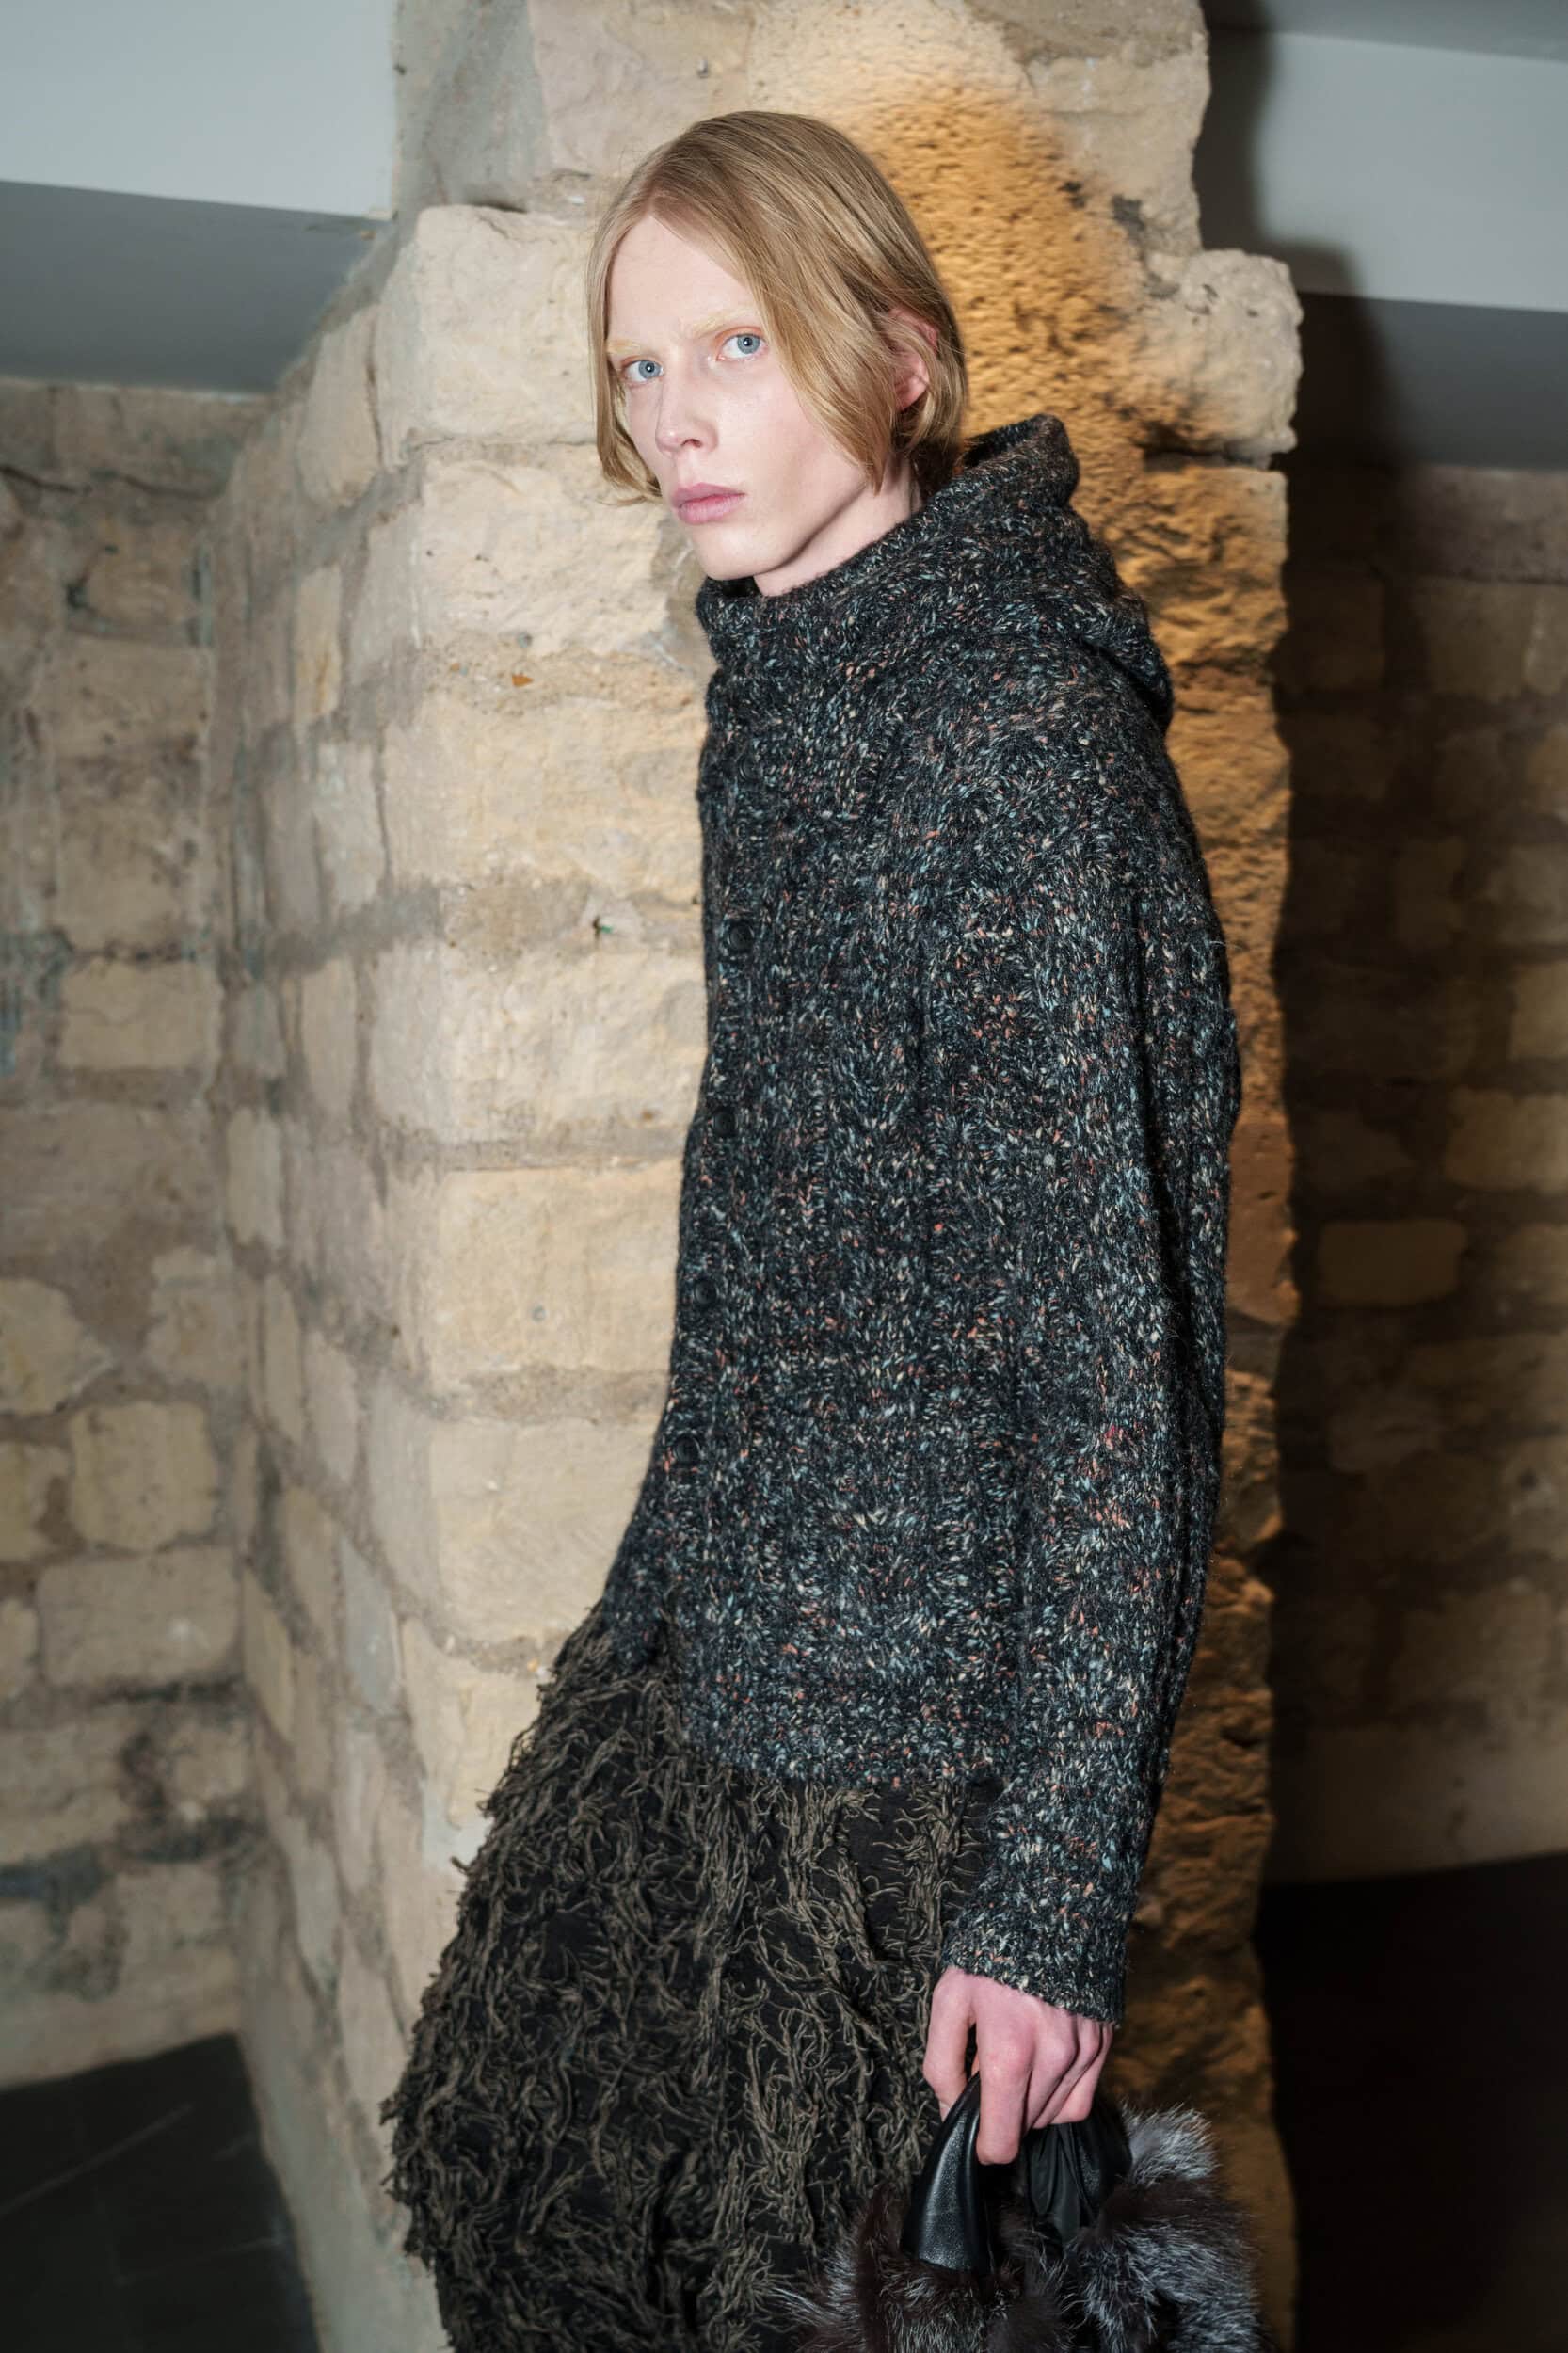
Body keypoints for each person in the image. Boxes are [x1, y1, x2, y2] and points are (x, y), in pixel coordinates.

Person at [380, 108, 1242, 2353]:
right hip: (709, 1658)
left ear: (901, 360)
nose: (671, 418)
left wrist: (1045, 1903)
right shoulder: (779, 699)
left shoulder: (1011, 740)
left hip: (909, 1756)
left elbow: (1116, 1369)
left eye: (733, 345)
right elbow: (765, 1255)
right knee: (527, 2215)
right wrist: (633, 1635)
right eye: (637, 364)